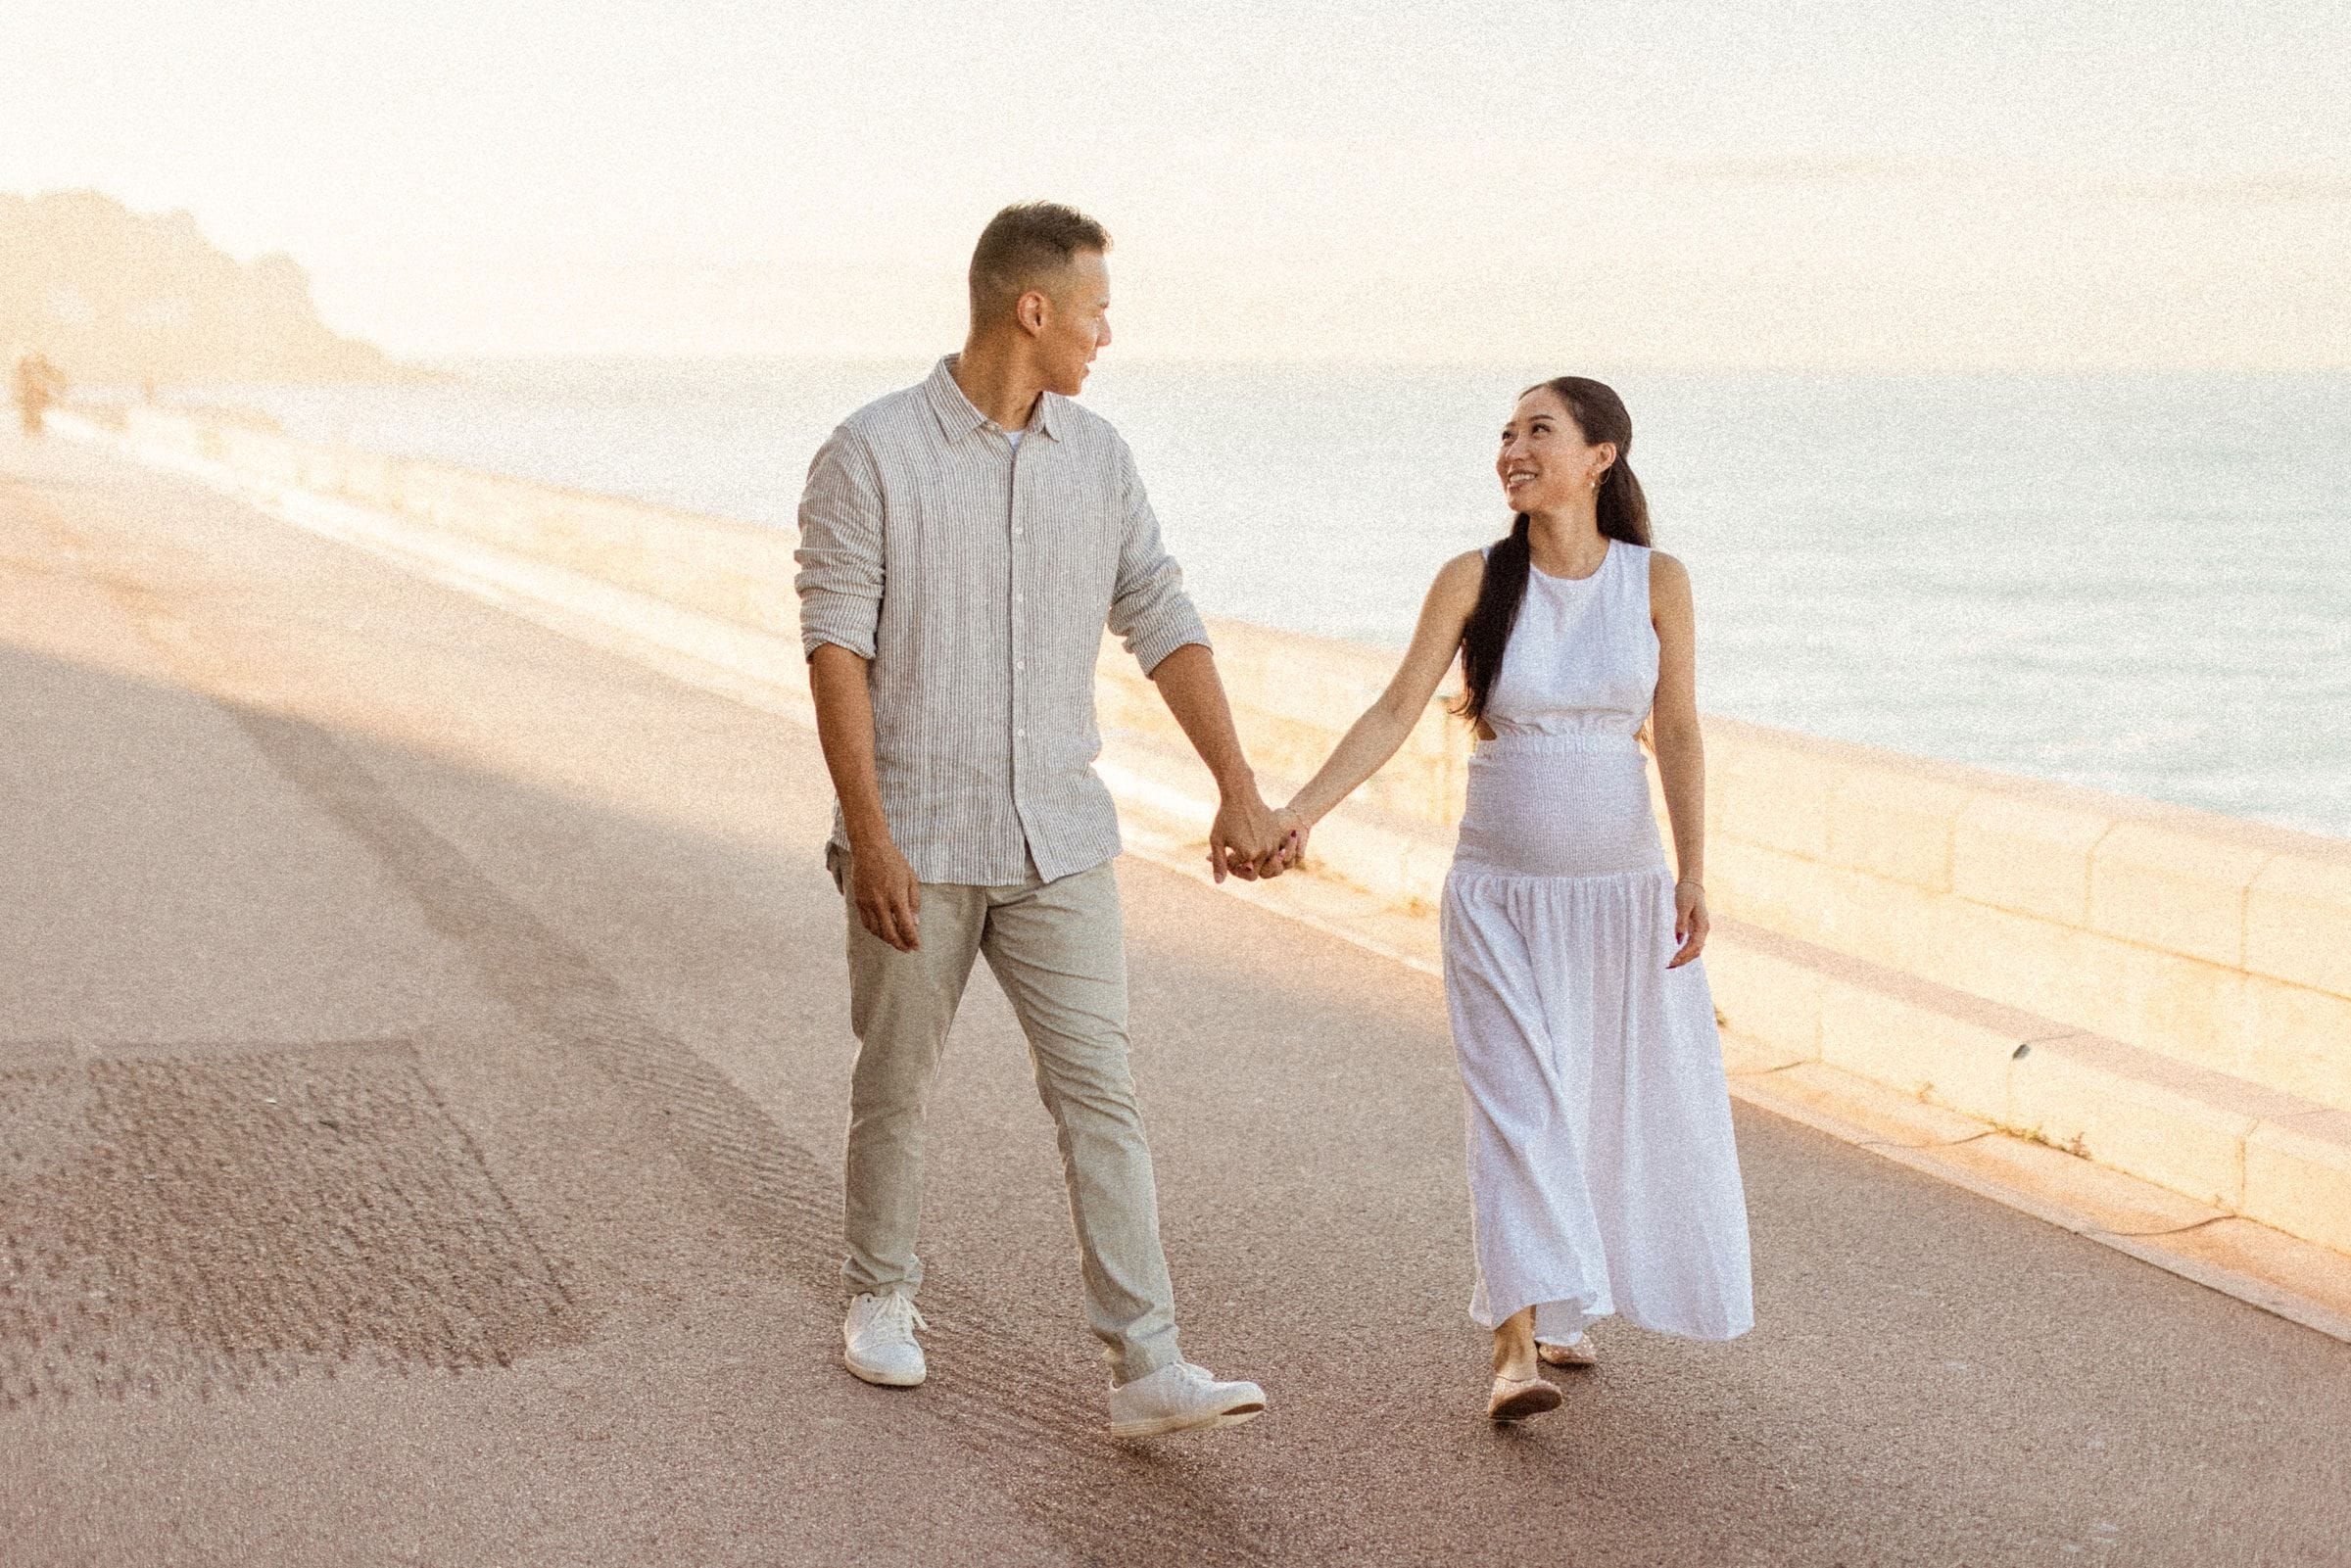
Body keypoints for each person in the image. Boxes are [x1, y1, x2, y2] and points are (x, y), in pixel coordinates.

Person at [793, 202, 1290, 1439]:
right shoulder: (871, 452)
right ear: (1033, 309)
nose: (1105, 335)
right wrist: (873, 832)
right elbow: (834, 646)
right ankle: (880, 1299)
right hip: (918, 833)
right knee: (896, 1082)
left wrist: (1237, 780)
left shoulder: (1100, 456)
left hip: (1060, 835)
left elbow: (1160, 615)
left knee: (1101, 1093)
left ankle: (1147, 1364)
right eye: (1095, 311)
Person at [1271, 377, 1753, 1422]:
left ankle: (1565, 1299)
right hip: (1497, 896)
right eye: (1505, 433)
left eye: (1540, 430)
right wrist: (1299, 810)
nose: (1513, 448)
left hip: (1620, 893)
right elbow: (1397, 706)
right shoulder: (1475, 578)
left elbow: (1677, 730)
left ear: (1601, 457)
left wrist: (1695, 869)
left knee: (1587, 1100)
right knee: (1515, 1105)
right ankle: (1513, 1350)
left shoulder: (1656, 581)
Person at [13, 352, 66, 438]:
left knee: (32, 419)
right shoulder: (28, 378)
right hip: (30, 400)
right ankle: (32, 438)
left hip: (31, 399)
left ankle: (33, 437)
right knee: (30, 419)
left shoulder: (33, 379)